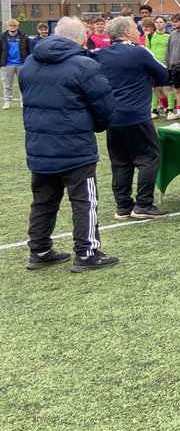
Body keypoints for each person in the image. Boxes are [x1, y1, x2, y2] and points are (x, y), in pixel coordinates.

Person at [22, 16, 117, 272]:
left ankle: (39, 249)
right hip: (74, 145)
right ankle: (86, 252)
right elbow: (104, 107)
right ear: (82, 38)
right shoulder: (85, 65)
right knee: (84, 200)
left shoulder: (30, 63)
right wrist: (98, 126)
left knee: (43, 200)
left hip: (39, 143)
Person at [95, 17, 171, 221]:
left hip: (112, 116)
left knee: (120, 162)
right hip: (136, 114)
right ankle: (144, 204)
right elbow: (164, 73)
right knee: (149, 158)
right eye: (136, 29)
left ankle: (123, 206)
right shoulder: (138, 51)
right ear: (127, 32)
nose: (139, 32)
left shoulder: (101, 54)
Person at [144, 16, 173, 116]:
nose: (158, 24)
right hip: (154, 65)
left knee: (169, 87)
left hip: (166, 65)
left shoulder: (170, 35)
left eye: (160, 22)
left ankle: (170, 109)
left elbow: (171, 50)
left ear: (165, 23)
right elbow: (147, 50)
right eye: (156, 22)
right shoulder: (150, 36)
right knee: (155, 88)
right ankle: (154, 110)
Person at [1, 18, 30, 109]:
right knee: (7, 85)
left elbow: (29, 50)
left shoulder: (24, 37)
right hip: (7, 64)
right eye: (11, 25)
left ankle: (23, 101)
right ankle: (7, 102)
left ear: (17, 26)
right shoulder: (2, 37)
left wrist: (27, 62)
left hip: (21, 64)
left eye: (14, 25)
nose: (13, 27)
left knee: (23, 84)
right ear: (7, 26)